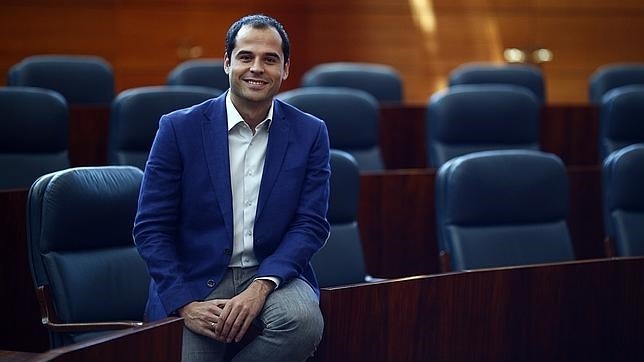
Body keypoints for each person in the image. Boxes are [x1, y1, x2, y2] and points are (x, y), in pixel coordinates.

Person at [133, 14, 330, 361]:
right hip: (195, 277)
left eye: (270, 59)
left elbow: (310, 223)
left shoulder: (310, 132)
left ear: (285, 69)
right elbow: (150, 228)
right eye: (245, 57)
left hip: (271, 272)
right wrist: (185, 304)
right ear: (227, 63)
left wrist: (261, 285)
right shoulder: (179, 129)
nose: (257, 68)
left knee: (302, 322)